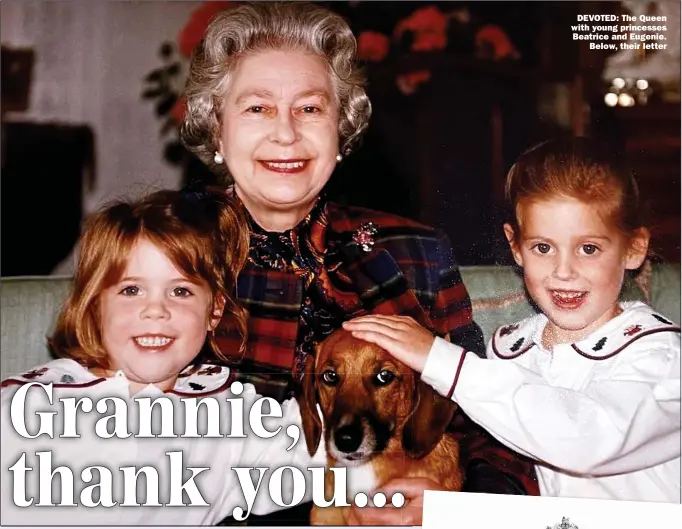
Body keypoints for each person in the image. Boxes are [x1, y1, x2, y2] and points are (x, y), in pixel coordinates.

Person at [179, 1, 539, 525]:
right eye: (257, 108)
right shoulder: (170, 252)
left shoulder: (413, 251)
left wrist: (462, 504)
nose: (286, 133)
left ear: (341, 127)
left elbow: (486, 420)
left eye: (310, 108)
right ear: (216, 125)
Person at [344, 137, 681, 506]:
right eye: (543, 248)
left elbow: (584, 438)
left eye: (589, 249)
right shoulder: (508, 350)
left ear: (633, 249)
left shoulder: (660, 356)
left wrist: (441, 360)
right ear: (515, 247)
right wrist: (448, 506)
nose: (563, 272)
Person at [0, 188, 326, 525]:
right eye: (131, 290)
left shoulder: (231, 420)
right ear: (96, 305)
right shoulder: (29, 406)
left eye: (180, 291)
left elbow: (329, 445)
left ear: (214, 312)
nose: (156, 310)